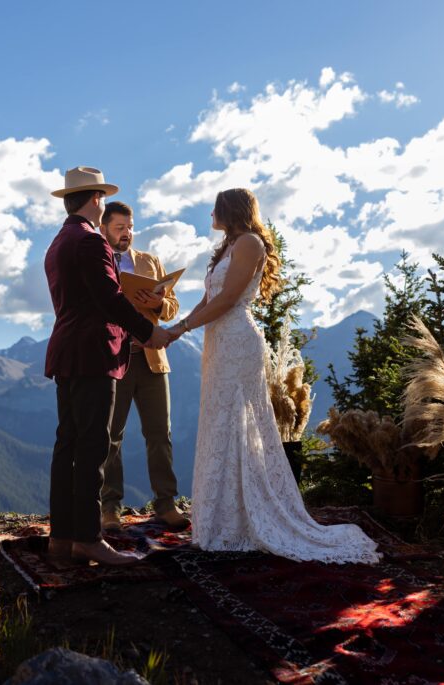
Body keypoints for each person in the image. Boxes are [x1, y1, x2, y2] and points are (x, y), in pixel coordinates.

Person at [165, 188, 380, 564]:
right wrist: (176, 327)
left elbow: (229, 299)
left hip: (236, 339)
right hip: (218, 341)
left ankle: (242, 519)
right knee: (219, 419)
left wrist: (182, 328)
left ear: (229, 210)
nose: (210, 215)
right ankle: (220, 518)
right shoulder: (231, 245)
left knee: (237, 418)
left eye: (214, 208)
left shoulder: (249, 243)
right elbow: (208, 300)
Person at [44, 166, 171, 567]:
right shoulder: (91, 242)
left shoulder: (58, 242)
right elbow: (110, 299)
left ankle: (61, 539)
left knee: (67, 446)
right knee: (93, 447)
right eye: (101, 198)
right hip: (95, 352)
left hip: (66, 352)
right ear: (95, 199)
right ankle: (88, 538)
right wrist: (148, 332)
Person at [97, 201, 188, 531]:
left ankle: (166, 503)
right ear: (104, 228)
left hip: (151, 359)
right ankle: (110, 508)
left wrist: (160, 302)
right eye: (120, 228)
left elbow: (172, 307)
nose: (127, 234)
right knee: (110, 437)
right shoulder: (97, 260)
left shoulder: (149, 261)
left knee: (159, 434)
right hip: (113, 359)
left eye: (130, 227)